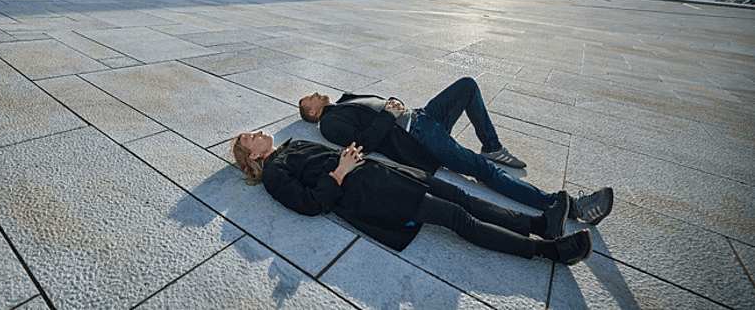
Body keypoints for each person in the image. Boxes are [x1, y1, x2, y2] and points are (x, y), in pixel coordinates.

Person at [232, 132, 593, 265]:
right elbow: (311, 204)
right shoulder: (275, 174)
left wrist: (347, 156)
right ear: (253, 158)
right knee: (457, 218)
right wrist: (340, 171)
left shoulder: (291, 145)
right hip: (373, 195)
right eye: (251, 138)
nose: (259, 133)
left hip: (386, 175)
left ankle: (540, 224)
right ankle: (549, 252)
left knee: (462, 197)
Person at [299, 77, 614, 226]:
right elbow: (363, 143)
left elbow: (382, 103)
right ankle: (570, 207)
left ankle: (492, 146)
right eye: (308, 100)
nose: (313, 94)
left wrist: (393, 104)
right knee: (483, 171)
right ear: (313, 113)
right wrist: (390, 115)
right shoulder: (329, 124)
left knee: (467, 85)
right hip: (418, 137)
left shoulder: (344, 99)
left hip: (423, 116)